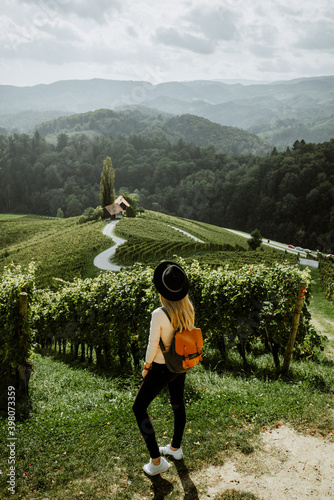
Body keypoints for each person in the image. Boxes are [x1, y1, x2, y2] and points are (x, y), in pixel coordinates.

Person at [132, 261, 195, 476]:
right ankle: (175, 449)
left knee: (138, 408)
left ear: (162, 290)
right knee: (178, 404)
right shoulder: (188, 308)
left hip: (160, 367)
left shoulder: (158, 314)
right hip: (180, 365)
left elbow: (152, 346)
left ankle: (156, 461)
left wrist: (146, 366)